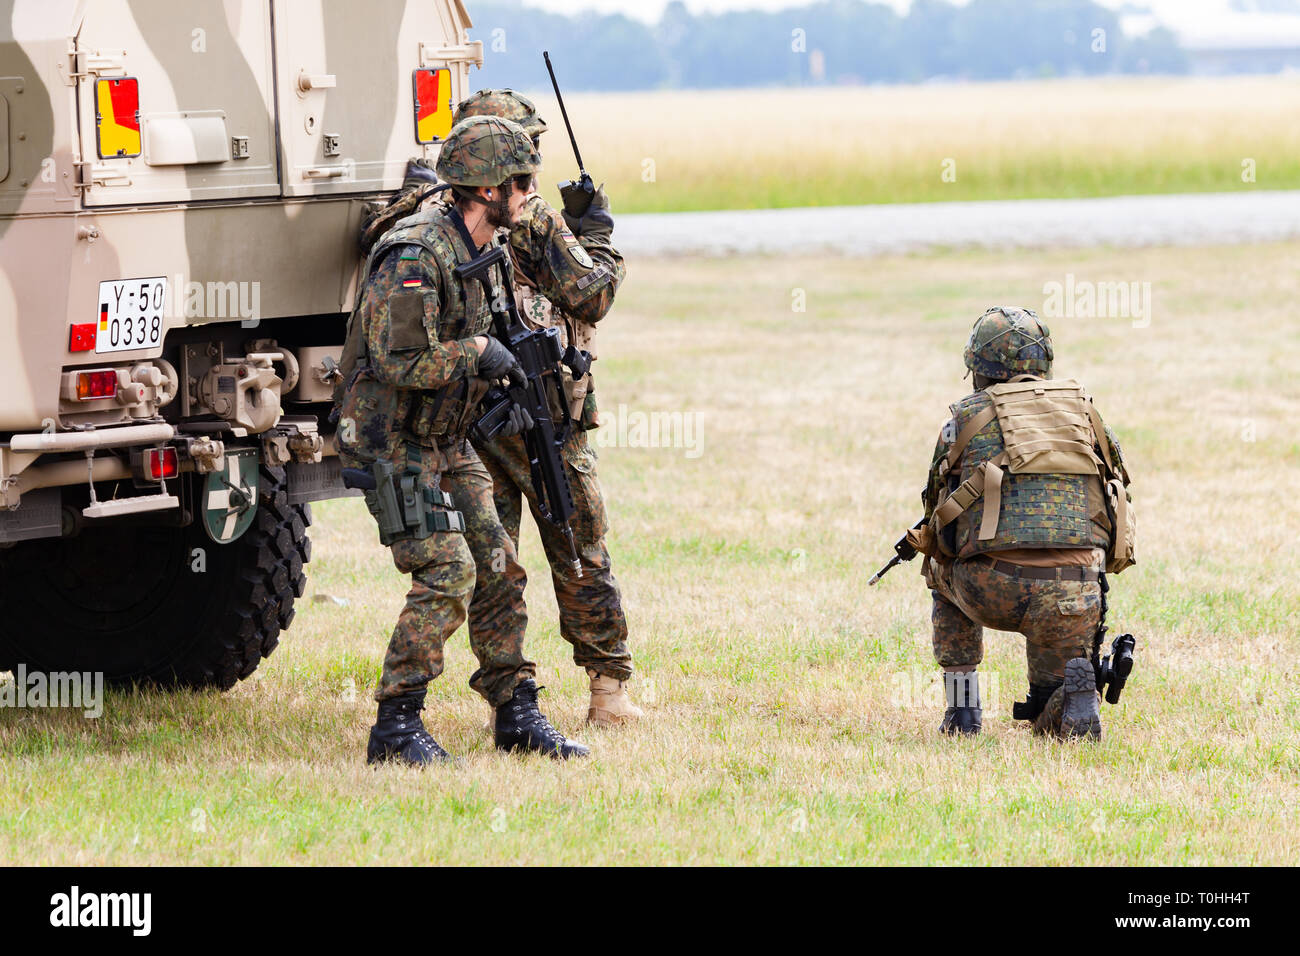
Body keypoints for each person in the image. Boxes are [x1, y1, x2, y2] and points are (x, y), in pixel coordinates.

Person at [335, 115, 590, 765]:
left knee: (499, 562)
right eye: (522, 181)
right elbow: (396, 363)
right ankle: (395, 725)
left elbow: (501, 325)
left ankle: (516, 709)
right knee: (448, 568)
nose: (532, 193)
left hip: (450, 436)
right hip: (392, 441)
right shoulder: (416, 254)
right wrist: (478, 353)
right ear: (487, 188)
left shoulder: (487, 249)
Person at [451, 90, 641, 727]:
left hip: (472, 414)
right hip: (543, 417)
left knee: (493, 559)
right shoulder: (531, 217)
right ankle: (607, 695)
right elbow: (594, 296)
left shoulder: (442, 210)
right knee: (579, 545)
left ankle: (509, 699)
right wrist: (597, 233)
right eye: (527, 145)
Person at [918, 306, 1134, 739]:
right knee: (1048, 711)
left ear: (977, 366)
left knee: (939, 570)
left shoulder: (962, 420)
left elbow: (936, 518)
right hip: (1074, 590)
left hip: (989, 588)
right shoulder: (1087, 414)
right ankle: (1072, 697)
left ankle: (963, 714)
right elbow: (1117, 489)